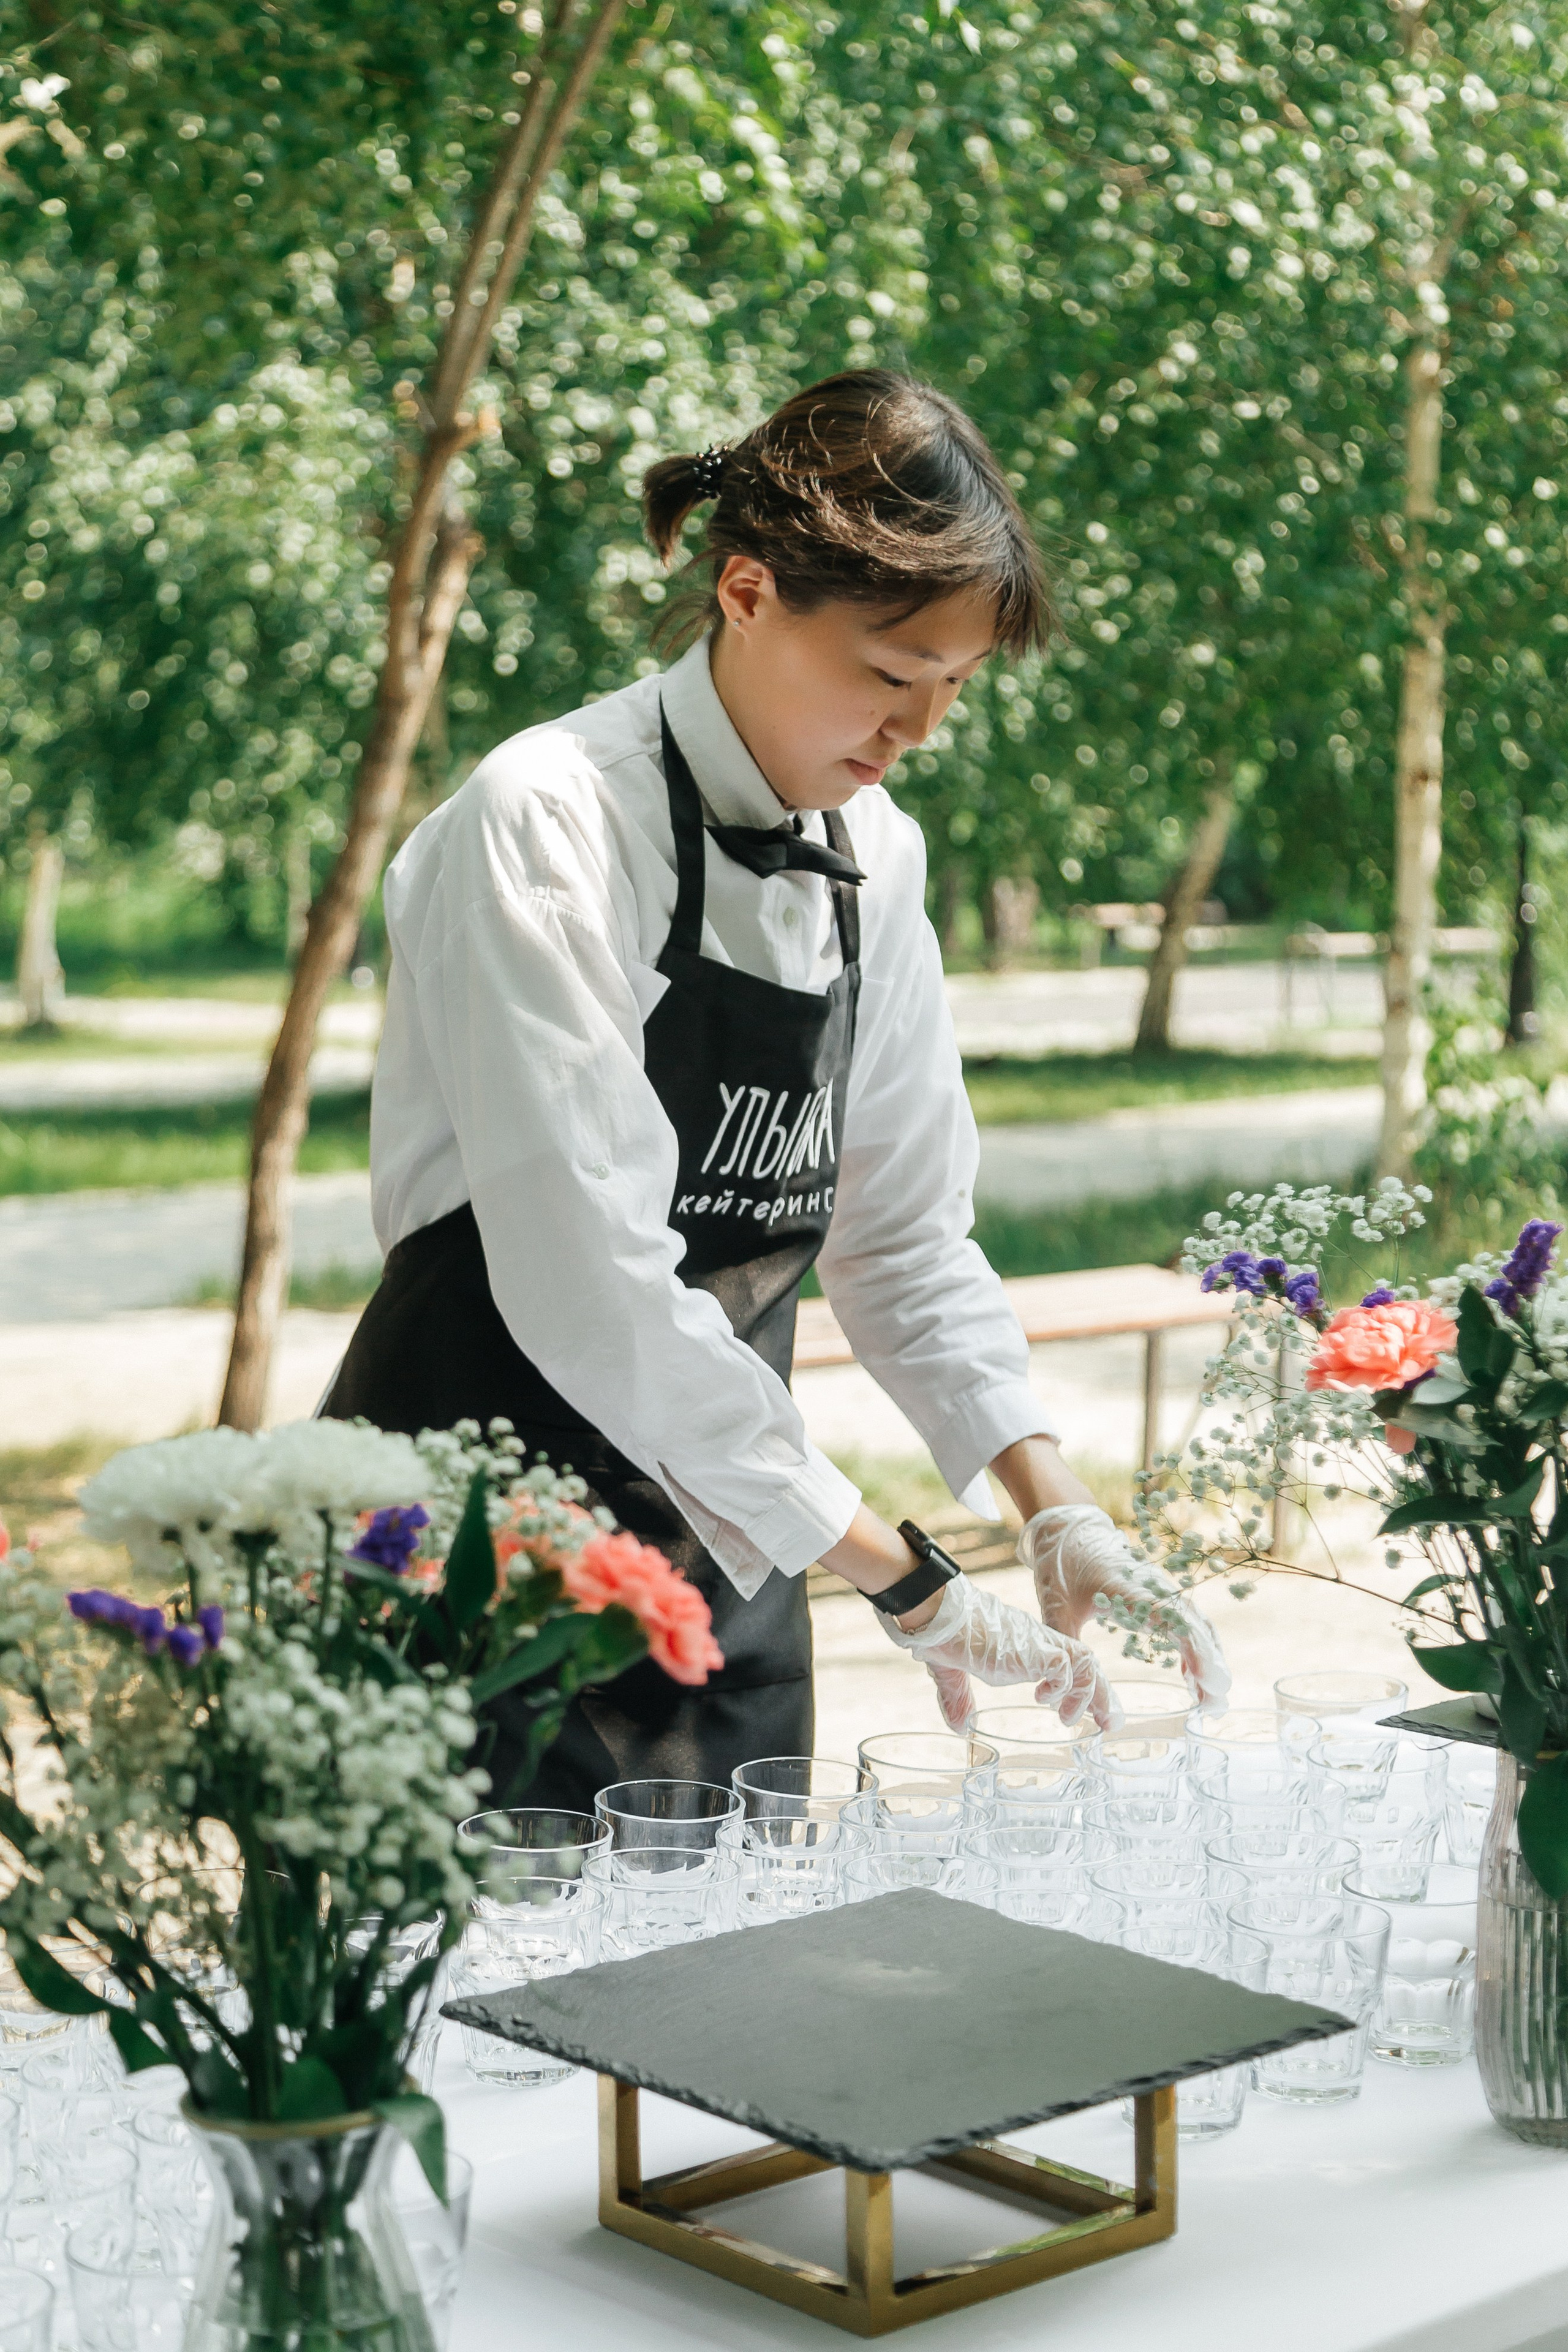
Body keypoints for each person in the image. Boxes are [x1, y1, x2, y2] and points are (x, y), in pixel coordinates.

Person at [325, 369, 1228, 1809]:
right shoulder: (545, 818)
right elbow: (590, 1276)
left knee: (719, 2010)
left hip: (730, 1559)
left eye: (953, 686)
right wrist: (904, 1575)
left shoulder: (879, 854)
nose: (917, 729)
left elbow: (904, 1241)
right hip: (464, 1552)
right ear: (745, 590)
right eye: (888, 674)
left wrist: (1048, 1504)